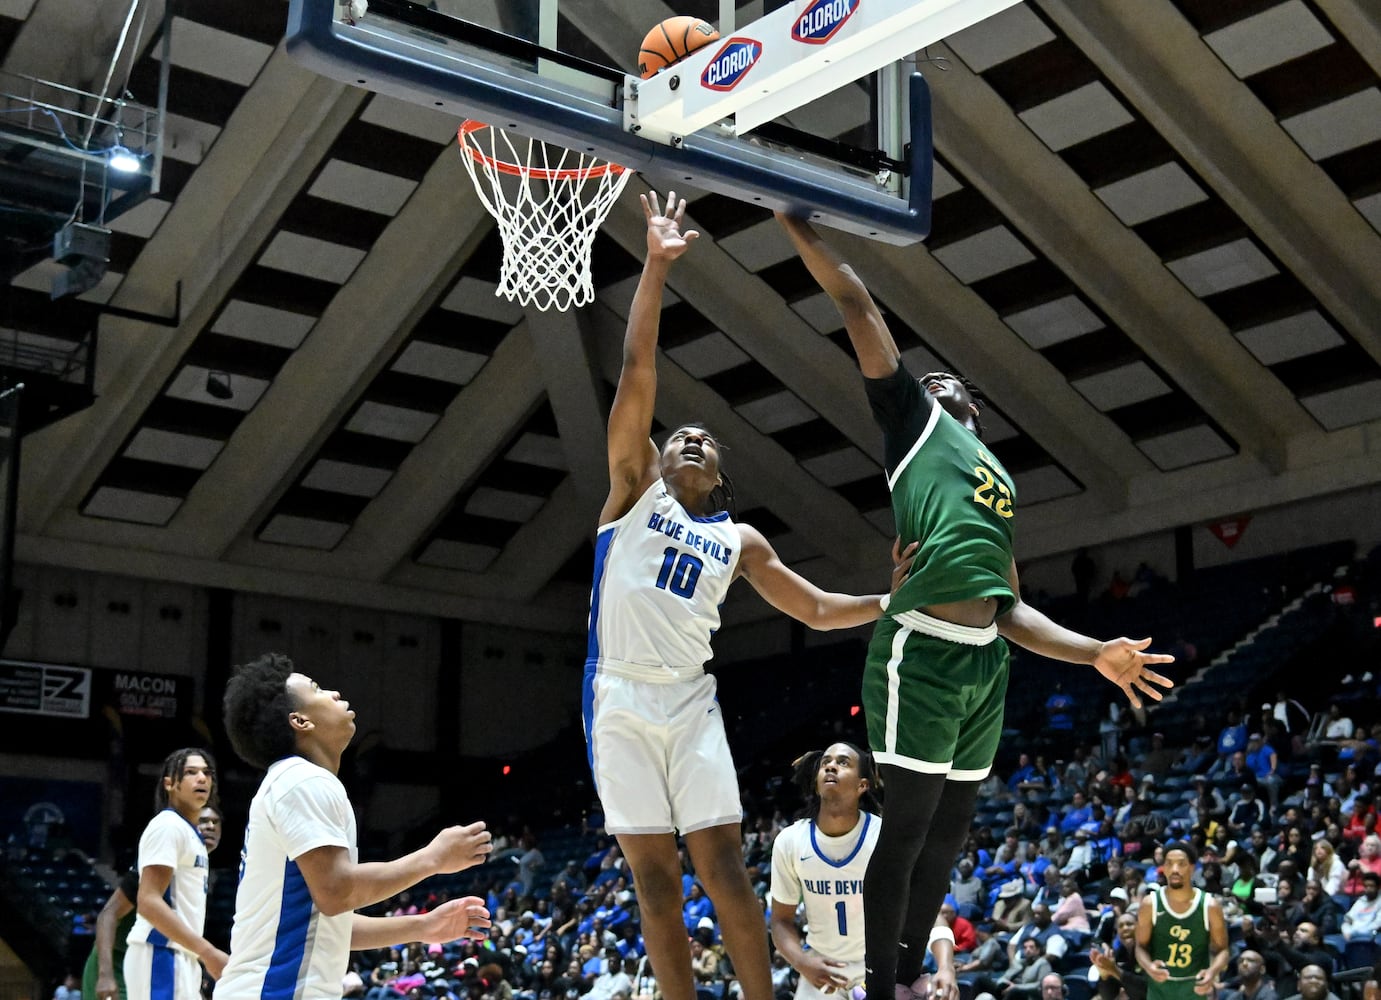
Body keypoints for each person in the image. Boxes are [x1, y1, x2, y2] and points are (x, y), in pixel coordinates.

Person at [778, 210, 1175, 1000]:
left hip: (983, 661)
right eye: (924, 379)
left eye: (946, 381)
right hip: (920, 651)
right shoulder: (911, 425)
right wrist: (797, 224)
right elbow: (858, 306)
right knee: (909, 833)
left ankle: (898, 975)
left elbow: (1010, 610)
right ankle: (880, 990)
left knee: (949, 836)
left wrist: (1094, 651)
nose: (932, 379)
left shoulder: (995, 477)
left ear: (975, 409)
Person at [585, 193, 912, 1000]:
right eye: (677, 436)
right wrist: (657, 267)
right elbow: (637, 371)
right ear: (657, 459)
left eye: (705, 441)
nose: (688, 438)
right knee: (656, 881)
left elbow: (813, 608)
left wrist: (887, 602)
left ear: (721, 477)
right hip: (620, 696)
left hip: (690, 700)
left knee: (724, 867)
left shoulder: (740, 540)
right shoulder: (631, 496)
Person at [214, 653, 493, 999]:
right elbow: (336, 892)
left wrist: (424, 926)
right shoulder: (301, 780)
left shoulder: (293, 783)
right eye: (317, 689)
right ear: (300, 721)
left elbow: (326, 925)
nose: (332, 693)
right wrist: (432, 859)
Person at [770, 743, 882, 1000]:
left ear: (862, 785)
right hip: (819, 970)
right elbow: (780, 920)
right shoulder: (790, 841)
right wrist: (802, 963)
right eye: (826, 762)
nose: (830, 766)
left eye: (843, 762)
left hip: (878, 968)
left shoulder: (882, 836)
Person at [85, 805, 222, 1000]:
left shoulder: (195, 871)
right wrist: (105, 974)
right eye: (202, 821)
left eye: (215, 822)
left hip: (161, 963)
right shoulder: (159, 863)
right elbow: (108, 914)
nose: (210, 826)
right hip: (118, 964)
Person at [124, 748, 225, 1000]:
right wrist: (208, 952)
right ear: (170, 783)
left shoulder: (192, 834)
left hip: (181, 954)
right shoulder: (168, 826)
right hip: (160, 952)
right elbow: (148, 901)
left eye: (206, 773)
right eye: (191, 772)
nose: (202, 778)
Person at [1134, 843, 1229, 1000]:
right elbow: (1140, 947)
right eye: (1169, 863)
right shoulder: (1150, 904)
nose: (1175, 869)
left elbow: (1223, 950)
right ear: (1163, 868)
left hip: (1194, 990)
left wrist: (1212, 972)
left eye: (1181, 864)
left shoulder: (1209, 906)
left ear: (1192, 868)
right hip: (1159, 990)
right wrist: (1149, 967)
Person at [1091, 912, 1147, 1000]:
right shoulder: (1118, 955)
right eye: (1120, 926)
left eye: (1129, 924)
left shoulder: (1149, 951)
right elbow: (1108, 996)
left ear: (1139, 928)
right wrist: (1105, 976)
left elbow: (1148, 989)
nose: (1125, 928)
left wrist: (1116, 971)